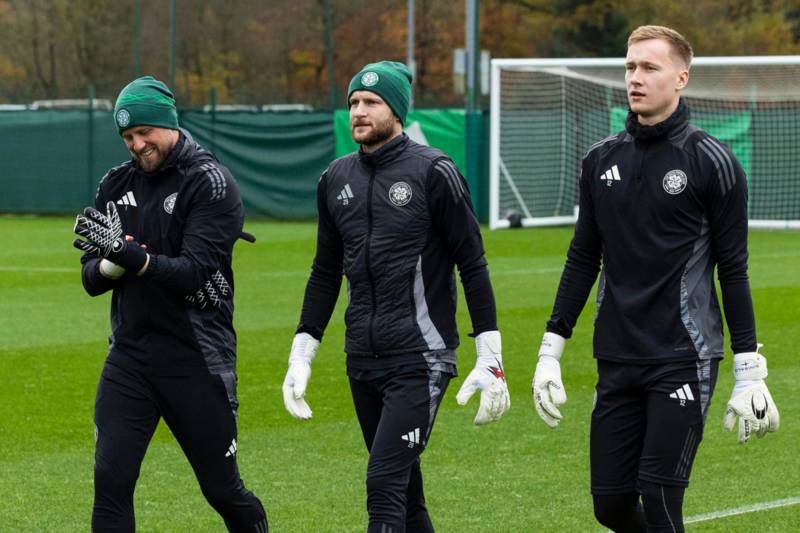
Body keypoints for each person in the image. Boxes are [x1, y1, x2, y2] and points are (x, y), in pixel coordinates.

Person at [530, 26, 780, 533]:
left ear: (681, 78)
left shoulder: (712, 161)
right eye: (629, 67)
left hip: (682, 355)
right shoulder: (600, 159)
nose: (635, 78)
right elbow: (583, 257)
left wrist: (748, 369)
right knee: (610, 506)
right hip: (617, 355)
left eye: (649, 67)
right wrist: (550, 350)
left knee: (661, 497)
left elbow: (733, 269)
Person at [281, 60, 510, 533]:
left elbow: (472, 264)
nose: (359, 111)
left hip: (421, 358)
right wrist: (302, 354)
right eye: (353, 102)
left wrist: (491, 356)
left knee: (383, 483)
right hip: (362, 360)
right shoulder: (335, 178)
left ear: (397, 111)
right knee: (406, 498)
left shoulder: (435, 171)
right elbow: (325, 272)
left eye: (372, 102)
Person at [73, 76, 267, 532]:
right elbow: (89, 278)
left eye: (144, 132)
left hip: (196, 357)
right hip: (130, 356)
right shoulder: (114, 183)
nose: (137, 145)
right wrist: (110, 265)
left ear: (169, 123)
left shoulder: (210, 181)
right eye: (127, 136)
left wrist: (134, 258)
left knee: (222, 490)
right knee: (111, 481)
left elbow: (193, 272)